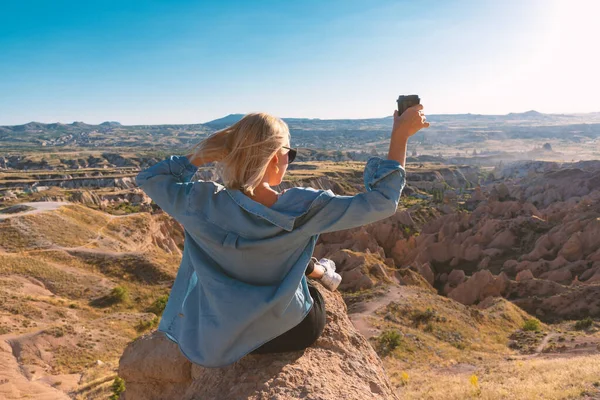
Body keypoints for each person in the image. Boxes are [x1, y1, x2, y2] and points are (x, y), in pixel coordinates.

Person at [135, 105, 429, 368]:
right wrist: (400, 135)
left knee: (281, 255)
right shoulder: (302, 207)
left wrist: (199, 156)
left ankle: (317, 268)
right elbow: (382, 202)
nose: (290, 160)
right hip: (291, 331)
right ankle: (321, 271)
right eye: (290, 153)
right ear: (275, 158)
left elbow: (150, 179)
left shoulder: (200, 202)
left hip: (222, 334)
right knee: (302, 278)